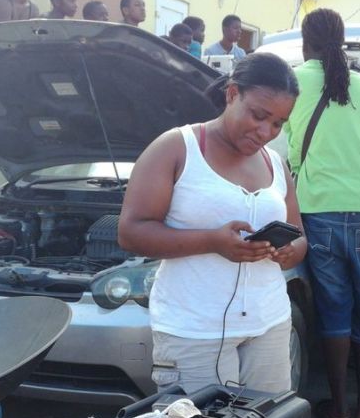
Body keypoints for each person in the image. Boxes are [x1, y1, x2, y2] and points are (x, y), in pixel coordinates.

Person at [118, 53, 306, 394]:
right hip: (194, 330)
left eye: (279, 123)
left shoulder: (275, 163)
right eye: (259, 115)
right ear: (232, 94)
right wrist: (212, 242)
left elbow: (300, 237)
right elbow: (131, 232)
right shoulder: (177, 148)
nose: (266, 132)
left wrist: (288, 252)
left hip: (270, 324)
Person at [286, 8, 360, 418]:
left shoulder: (291, 81)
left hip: (318, 206)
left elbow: (288, 145)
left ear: (304, 41)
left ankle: (340, 412)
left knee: (333, 306)